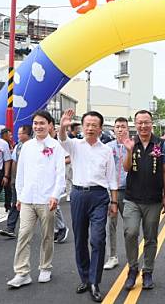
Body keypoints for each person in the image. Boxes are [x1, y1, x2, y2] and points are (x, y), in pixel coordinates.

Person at [59, 109, 118, 303]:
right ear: (82, 127)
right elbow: (62, 141)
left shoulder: (106, 150)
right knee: (80, 239)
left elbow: (111, 178)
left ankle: (94, 282)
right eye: (87, 125)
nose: (90, 128)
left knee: (98, 239)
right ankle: (84, 277)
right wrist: (63, 125)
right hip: (78, 195)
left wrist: (114, 201)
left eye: (94, 125)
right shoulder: (75, 145)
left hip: (99, 196)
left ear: (100, 128)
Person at [7, 111, 66, 288]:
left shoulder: (56, 146)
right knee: (24, 234)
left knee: (47, 235)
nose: (38, 126)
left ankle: (45, 267)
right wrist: (19, 194)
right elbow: (21, 172)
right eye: (35, 123)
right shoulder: (27, 146)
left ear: (49, 125)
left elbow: (60, 174)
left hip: (47, 199)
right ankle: (22, 272)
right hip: (27, 198)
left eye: (42, 123)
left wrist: (56, 195)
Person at [122, 110, 165, 291]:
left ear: (152, 123)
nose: (143, 126)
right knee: (131, 232)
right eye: (139, 123)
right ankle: (132, 268)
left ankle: (148, 271)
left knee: (150, 237)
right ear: (135, 124)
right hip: (132, 198)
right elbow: (126, 168)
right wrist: (128, 151)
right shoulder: (130, 142)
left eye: (146, 122)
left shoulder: (161, 144)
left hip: (154, 200)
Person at [103, 117, 131, 270]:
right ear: (114, 129)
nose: (120, 129)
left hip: (129, 192)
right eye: (118, 127)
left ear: (128, 129)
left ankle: (132, 257)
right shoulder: (107, 147)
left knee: (130, 227)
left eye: (123, 127)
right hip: (112, 192)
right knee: (110, 225)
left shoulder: (133, 146)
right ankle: (112, 256)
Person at [0, 125, 31, 238]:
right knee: (15, 203)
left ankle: (57, 228)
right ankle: (10, 228)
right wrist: (12, 178)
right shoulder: (18, 146)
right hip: (18, 180)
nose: (18, 136)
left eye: (20, 133)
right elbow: (14, 162)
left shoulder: (33, 146)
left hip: (31, 181)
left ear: (27, 134)